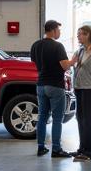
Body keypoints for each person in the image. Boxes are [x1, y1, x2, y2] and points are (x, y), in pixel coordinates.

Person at [65, 25, 91, 162]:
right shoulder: (80, 51)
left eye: (81, 34)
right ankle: (82, 148)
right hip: (79, 88)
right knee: (80, 119)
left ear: (88, 35)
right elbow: (73, 67)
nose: (78, 36)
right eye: (78, 34)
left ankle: (89, 151)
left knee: (88, 121)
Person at [29, 19, 70, 157]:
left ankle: (41, 147)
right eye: (58, 30)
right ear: (53, 30)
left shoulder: (35, 45)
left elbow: (34, 63)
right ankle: (56, 149)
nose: (59, 32)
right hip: (55, 86)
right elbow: (65, 66)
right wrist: (74, 60)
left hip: (40, 85)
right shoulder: (58, 46)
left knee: (42, 117)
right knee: (57, 119)